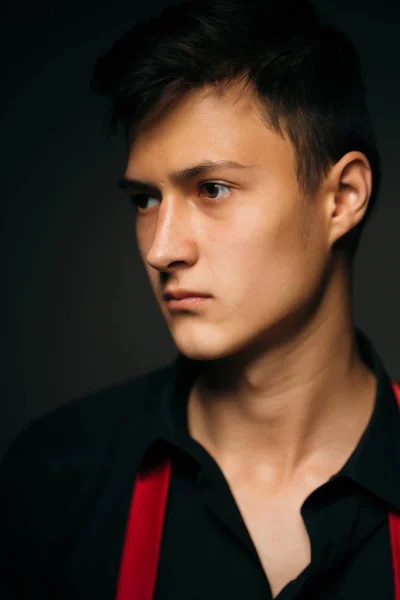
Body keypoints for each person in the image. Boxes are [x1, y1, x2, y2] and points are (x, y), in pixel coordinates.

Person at [1, 0, 399, 598]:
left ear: (341, 198)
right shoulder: (55, 477)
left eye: (212, 188)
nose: (161, 250)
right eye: (144, 199)